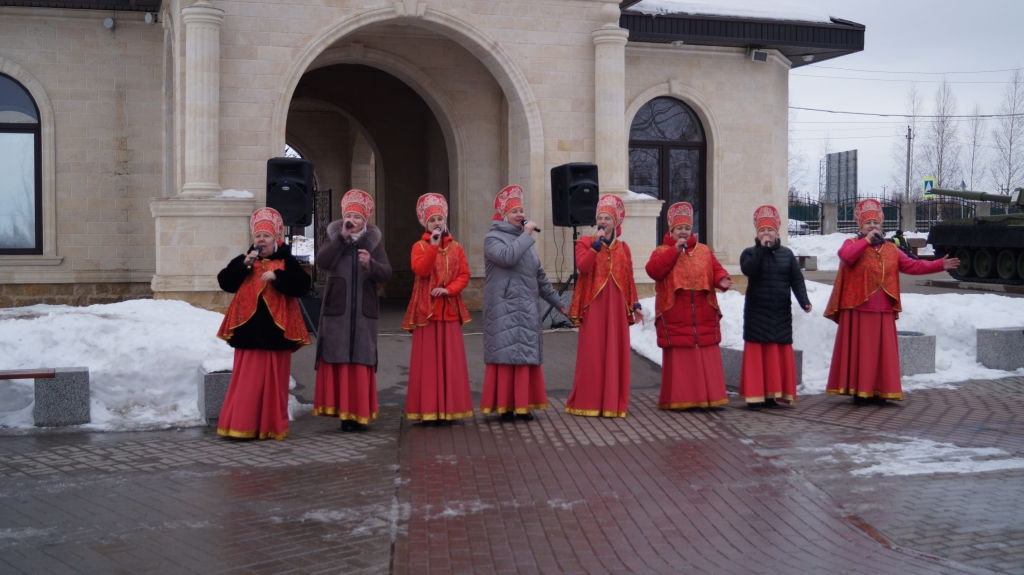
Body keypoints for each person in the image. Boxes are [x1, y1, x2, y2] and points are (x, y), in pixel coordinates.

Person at [825, 199, 959, 404]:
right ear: (860, 226)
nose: (872, 226)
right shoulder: (852, 244)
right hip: (858, 308)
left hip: (884, 309)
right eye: (868, 223)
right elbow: (847, 257)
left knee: (882, 354)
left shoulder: (890, 249)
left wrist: (941, 264)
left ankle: (880, 391)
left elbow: (914, 267)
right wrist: (867, 241)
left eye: (876, 223)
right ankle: (860, 392)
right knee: (862, 353)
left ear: (882, 225)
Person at [216, 207, 311, 440]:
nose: (261, 239)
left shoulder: (287, 262)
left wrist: (278, 278)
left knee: (273, 385)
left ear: (276, 239)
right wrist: (243, 265)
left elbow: (302, 285)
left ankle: (269, 426)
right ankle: (241, 425)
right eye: (258, 235)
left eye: (266, 236)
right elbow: (226, 282)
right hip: (248, 333)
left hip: (276, 334)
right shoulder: (245, 260)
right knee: (246, 382)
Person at [481, 185, 566, 421]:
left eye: (521, 210)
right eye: (514, 211)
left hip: (527, 307)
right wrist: (526, 236)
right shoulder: (492, 238)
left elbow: (539, 276)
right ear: (503, 216)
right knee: (506, 355)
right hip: (503, 306)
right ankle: (505, 406)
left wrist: (556, 301)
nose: (520, 215)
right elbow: (507, 258)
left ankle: (522, 405)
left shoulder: (525, 242)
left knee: (523, 355)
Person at [313, 190, 392, 431]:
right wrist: (341, 239)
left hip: (364, 313)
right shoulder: (334, 239)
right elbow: (322, 262)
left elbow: (386, 273)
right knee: (339, 358)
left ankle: (359, 414)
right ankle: (343, 415)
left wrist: (371, 264)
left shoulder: (374, 243)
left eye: (357, 217)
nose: (352, 220)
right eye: (349, 216)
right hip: (337, 312)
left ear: (365, 221)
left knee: (360, 360)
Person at [645, 202, 733, 410]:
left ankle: (710, 397)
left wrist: (721, 280)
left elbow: (716, 269)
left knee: (705, 353)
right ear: (671, 230)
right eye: (679, 228)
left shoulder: (703, 251)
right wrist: (674, 252)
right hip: (675, 313)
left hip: (703, 312)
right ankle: (681, 399)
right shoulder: (662, 251)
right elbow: (654, 271)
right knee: (682, 357)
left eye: (686, 228)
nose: (683, 232)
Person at [564, 195, 642, 418]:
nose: (604, 221)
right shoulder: (585, 243)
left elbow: (629, 278)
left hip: (616, 307)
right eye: (600, 217)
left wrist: (634, 304)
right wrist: (595, 246)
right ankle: (589, 400)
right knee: (593, 351)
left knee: (614, 351)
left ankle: (612, 401)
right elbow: (583, 267)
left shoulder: (623, 248)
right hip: (594, 305)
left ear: (615, 222)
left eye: (608, 217)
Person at [402, 193, 474, 425]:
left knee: (451, 362)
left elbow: (464, 274)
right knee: (428, 363)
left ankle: (450, 409)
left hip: (450, 310)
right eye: (432, 220)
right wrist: (432, 247)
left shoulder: (457, 248)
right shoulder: (419, 246)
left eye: (440, 219)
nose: (437, 223)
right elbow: (421, 270)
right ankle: (429, 410)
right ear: (425, 223)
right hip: (427, 312)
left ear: (446, 221)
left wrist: (449, 290)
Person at [738, 205, 812, 410]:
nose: (766, 233)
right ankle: (755, 396)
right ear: (757, 234)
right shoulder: (749, 253)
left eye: (769, 230)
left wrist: (804, 300)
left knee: (775, 355)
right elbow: (749, 270)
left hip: (779, 313)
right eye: (762, 230)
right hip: (757, 313)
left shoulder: (787, 255)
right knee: (758, 354)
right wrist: (762, 249)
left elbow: (796, 280)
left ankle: (772, 395)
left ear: (777, 232)